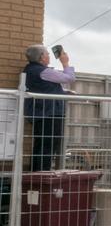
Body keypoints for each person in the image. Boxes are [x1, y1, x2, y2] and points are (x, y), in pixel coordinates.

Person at [22, 44, 76, 172]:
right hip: (50, 114)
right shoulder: (43, 71)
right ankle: (42, 175)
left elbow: (45, 88)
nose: (49, 56)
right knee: (48, 146)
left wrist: (64, 92)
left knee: (40, 146)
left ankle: (36, 176)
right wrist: (65, 62)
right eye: (47, 54)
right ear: (41, 57)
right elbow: (69, 78)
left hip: (40, 112)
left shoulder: (30, 69)